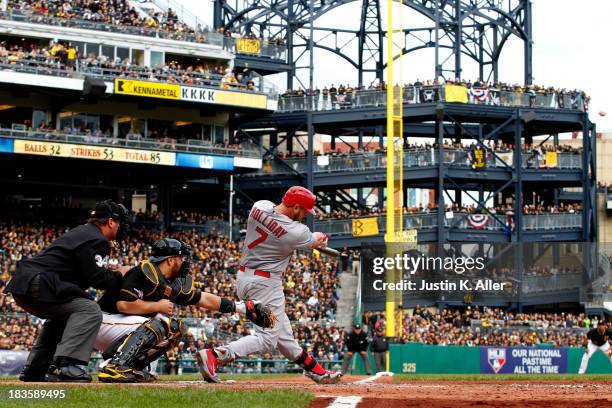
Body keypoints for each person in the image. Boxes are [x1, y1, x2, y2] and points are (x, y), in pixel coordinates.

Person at [196, 186, 342, 384]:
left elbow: (281, 221)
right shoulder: (297, 231)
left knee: (283, 337)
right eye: (304, 212)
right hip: (266, 284)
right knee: (267, 340)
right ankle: (215, 355)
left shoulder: (260, 206)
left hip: (245, 277)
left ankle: (317, 371)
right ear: (296, 207)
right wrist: (320, 239)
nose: (305, 216)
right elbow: (315, 239)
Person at [96, 238, 274, 383]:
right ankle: (116, 366)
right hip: (103, 321)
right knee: (164, 323)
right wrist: (156, 306)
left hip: (121, 329)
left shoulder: (170, 282)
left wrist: (241, 308)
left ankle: (125, 366)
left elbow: (203, 298)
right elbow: (124, 305)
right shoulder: (143, 271)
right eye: (182, 258)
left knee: (176, 329)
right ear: (171, 260)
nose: (185, 262)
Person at [3, 200, 129, 382]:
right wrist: (119, 274)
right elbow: (100, 280)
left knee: (64, 316)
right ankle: (66, 366)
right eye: (120, 223)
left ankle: (36, 368)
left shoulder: (84, 232)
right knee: (89, 310)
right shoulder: (97, 238)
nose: (121, 227)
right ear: (110, 222)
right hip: (40, 283)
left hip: (25, 284)